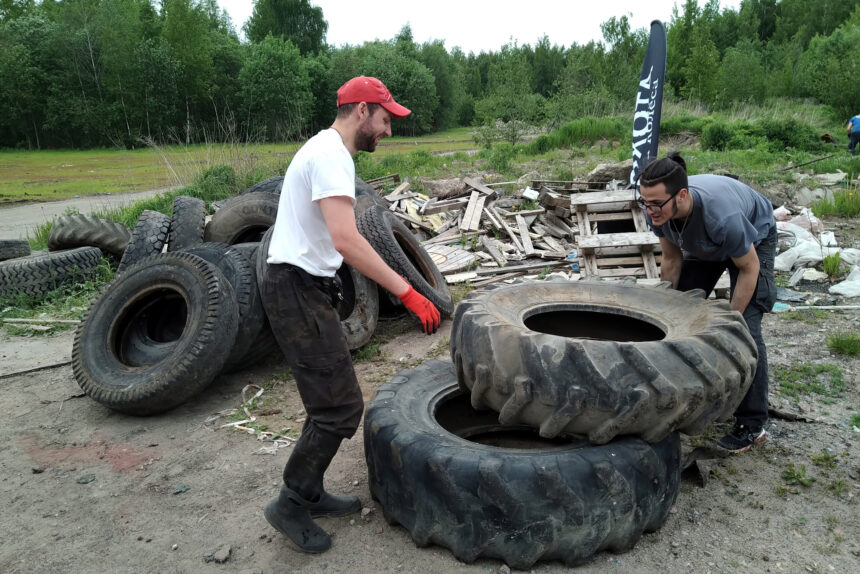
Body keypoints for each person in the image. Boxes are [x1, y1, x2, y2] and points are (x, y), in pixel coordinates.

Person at [260, 76, 441, 553]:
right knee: (341, 409)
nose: (388, 130)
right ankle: (291, 502)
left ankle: (311, 490)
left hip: (303, 287)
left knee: (328, 401)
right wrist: (407, 291)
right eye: (385, 119)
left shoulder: (327, 151)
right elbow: (345, 239)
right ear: (362, 111)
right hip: (295, 289)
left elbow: (331, 239)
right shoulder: (330, 157)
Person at [637, 152, 776, 453]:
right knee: (680, 315)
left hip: (753, 242)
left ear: (682, 195)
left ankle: (752, 424)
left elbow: (748, 268)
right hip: (706, 246)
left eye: (655, 204)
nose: (649, 212)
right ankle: (681, 398)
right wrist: (666, 309)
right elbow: (672, 261)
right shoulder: (661, 212)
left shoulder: (722, 217)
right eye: (644, 203)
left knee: (746, 330)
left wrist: (731, 322)